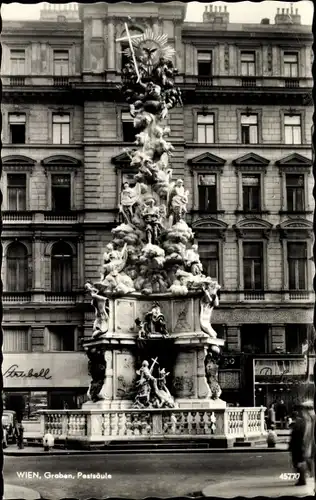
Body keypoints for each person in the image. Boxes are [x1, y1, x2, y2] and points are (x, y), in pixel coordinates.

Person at [289, 400, 315, 486]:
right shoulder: (308, 419)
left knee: (300, 461)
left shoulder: (305, 420)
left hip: (303, 445)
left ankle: (303, 479)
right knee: (303, 461)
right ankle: (305, 477)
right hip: (306, 444)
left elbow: (303, 435)